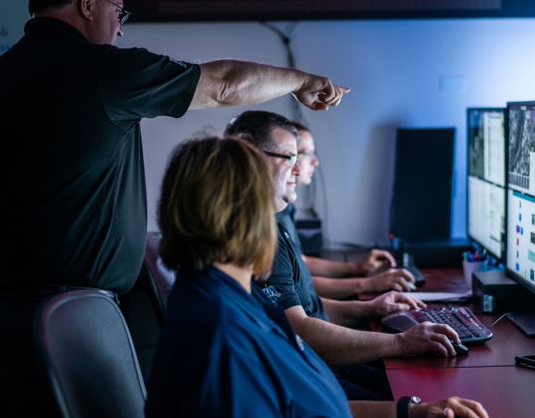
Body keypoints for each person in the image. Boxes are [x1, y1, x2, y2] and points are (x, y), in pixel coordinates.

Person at [0, 0, 347, 416]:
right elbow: (224, 85)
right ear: (88, 4)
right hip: (68, 316)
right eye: (118, 10)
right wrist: (302, 82)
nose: (121, 25)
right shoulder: (102, 70)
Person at [146, 135, 488, 418]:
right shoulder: (221, 339)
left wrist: (409, 412)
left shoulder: (234, 295)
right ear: (244, 220)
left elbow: (309, 407)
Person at [225, 112, 463, 370]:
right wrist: (400, 342)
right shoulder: (256, 238)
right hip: (312, 370)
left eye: (299, 157)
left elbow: (306, 305)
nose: (300, 167)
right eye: (290, 157)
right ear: (251, 159)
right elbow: (302, 330)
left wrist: (369, 308)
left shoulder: (274, 224)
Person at [284, 121, 417, 298]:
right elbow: (298, 284)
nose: (315, 161)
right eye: (307, 153)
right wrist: (368, 283)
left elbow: (302, 263)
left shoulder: (285, 210)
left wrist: (358, 268)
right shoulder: (274, 215)